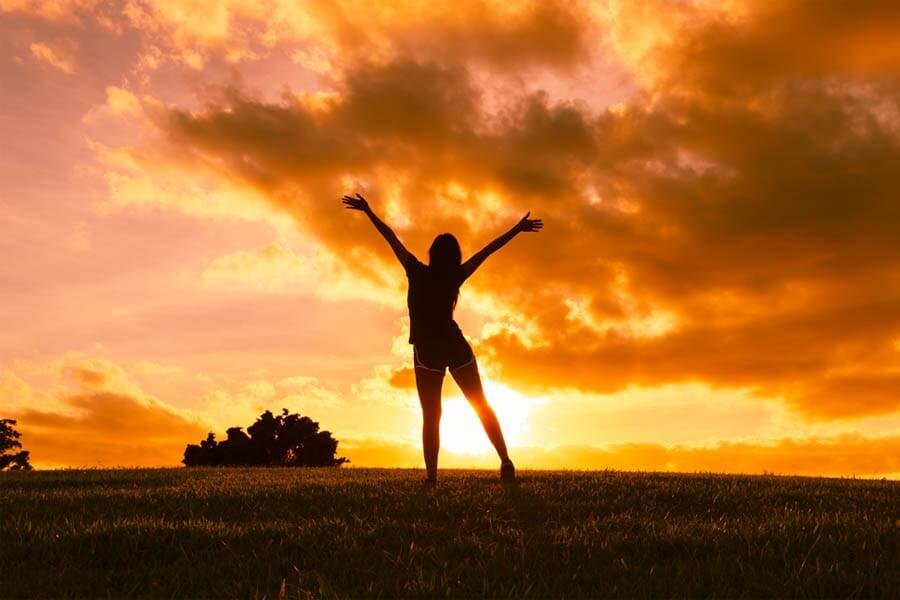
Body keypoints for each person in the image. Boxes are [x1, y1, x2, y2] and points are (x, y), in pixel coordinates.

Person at [342, 192, 543, 484]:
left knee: (431, 415)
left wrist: (368, 211)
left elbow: (391, 237)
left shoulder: (415, 270)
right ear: (454, 257)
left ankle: (433, 477)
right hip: (454, 344)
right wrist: (516, 228)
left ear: (432, 254)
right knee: (481, 404)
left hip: (428, 350)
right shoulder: (455, 276)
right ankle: (505, 460)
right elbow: (488, 250)